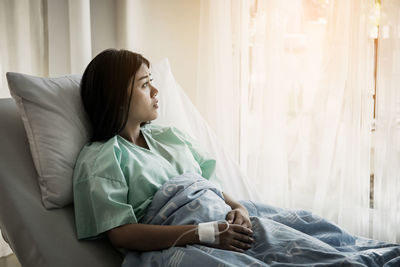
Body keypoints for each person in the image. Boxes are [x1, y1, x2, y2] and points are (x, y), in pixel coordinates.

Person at [73, 49, 254, 253]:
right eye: (144, 84)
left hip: (229, 225)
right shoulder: (102, 158)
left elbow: (207, 188)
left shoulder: (171, 136)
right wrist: (207, 234)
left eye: (151, 81)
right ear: (116, 97)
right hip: (187, 246)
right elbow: (120, 234)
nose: (155, 90)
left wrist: (240, 209)